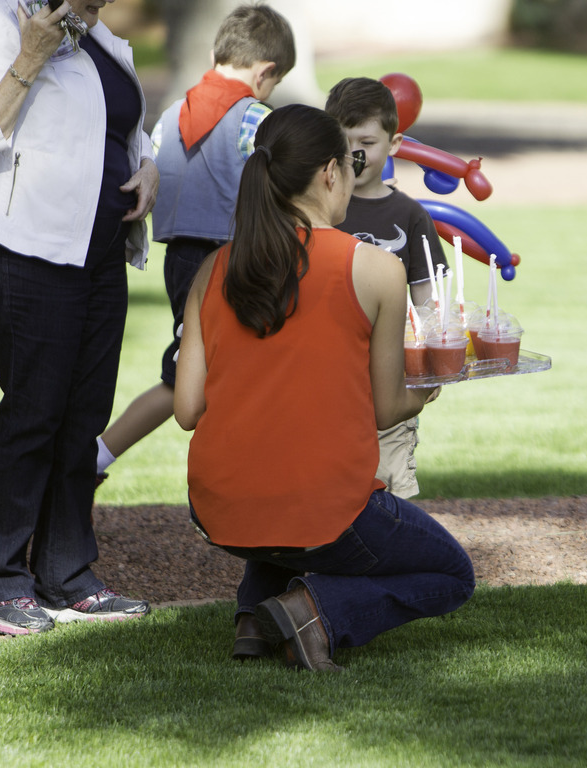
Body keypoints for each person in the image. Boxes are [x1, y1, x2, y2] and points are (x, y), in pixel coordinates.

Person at [173, 104, 475, 671]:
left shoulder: (214, 268)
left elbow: (187, 409)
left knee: (284, 497)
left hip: (218, 507)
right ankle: (315, 610)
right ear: (330, 173)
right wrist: (437, 381)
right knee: (451, 574)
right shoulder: (375, 267)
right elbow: (388, 408)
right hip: (325, 511)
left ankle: (254, 614)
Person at [0, 0, 159, 634]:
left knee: (84, 411)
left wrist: (145, 164)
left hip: (98, 252)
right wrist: (31, 55)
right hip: (24, 247)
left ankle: (66, 575)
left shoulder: (100, 37)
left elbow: (125, 127)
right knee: (35, 409)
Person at [94, 4, 295, 484]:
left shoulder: (170, 114)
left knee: (187, 366)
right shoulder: (257, 120)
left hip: (180, 262)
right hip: (233, 261)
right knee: (232, 371)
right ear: (265, 72)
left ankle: (98, 454)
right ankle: (238, 476)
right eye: (273, 81)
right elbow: (276, 192)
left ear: (214, 54)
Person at [325, 76, 449, 500]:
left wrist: (434, 360)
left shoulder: (410, 215)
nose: (354, 154)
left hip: (391, 381)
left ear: (394, 144)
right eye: (343, 142)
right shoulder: (317, 208)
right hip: (328, 383)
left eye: (367, 141)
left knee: (391, 492)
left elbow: (430, 301)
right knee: (330, 488)